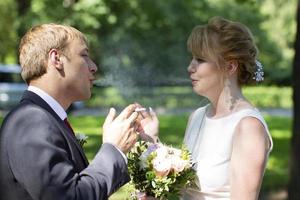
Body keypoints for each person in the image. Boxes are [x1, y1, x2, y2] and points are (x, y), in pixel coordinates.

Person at [0, 23, 140, 200]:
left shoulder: (43, 117)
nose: (94, 66)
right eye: (84, 55)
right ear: (56, 59)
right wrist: (114, 149)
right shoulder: (31, 120)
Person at [143, 17, 273, 200]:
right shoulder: (197, 117)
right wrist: (152, 142)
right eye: (192, 58)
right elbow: (184, 190)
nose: (190, 67)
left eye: (200, 60)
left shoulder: (248, 127)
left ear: (230, 66)